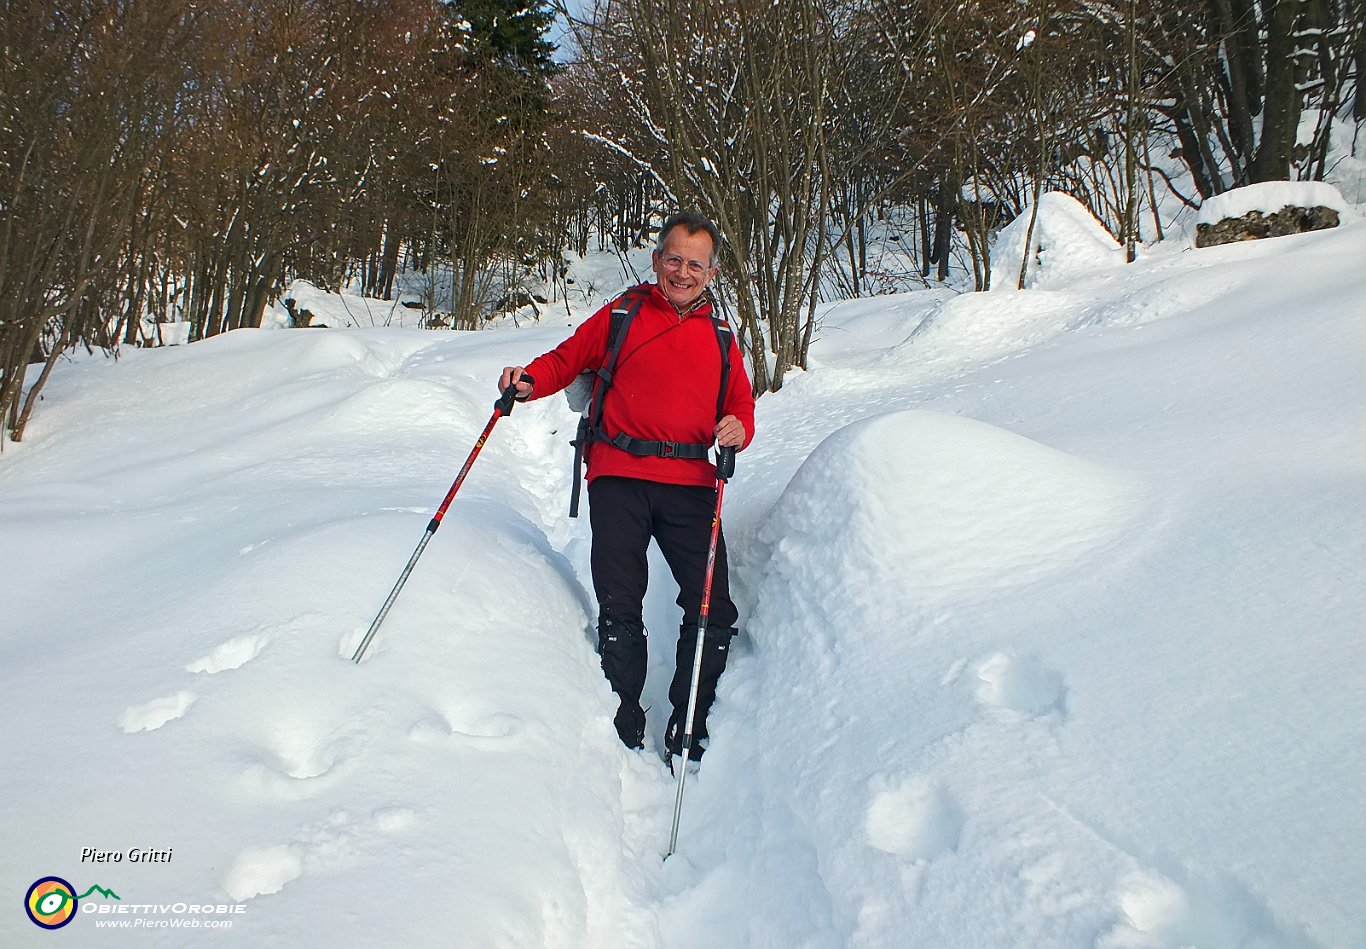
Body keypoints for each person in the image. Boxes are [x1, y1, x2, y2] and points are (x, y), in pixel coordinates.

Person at [499, 211, 755, 765]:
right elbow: (567, 360)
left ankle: (689, 722)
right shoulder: (623, 314)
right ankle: (623, 714)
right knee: (621, 601)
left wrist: (738, 428)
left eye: (695, 263)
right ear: (658, 259)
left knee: (712, 606)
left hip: (691, 483)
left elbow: (740, 406)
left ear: (711, 274)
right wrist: (527, 382)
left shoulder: (720, 337)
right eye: (674, 258)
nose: (682, 272)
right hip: (618, 474)